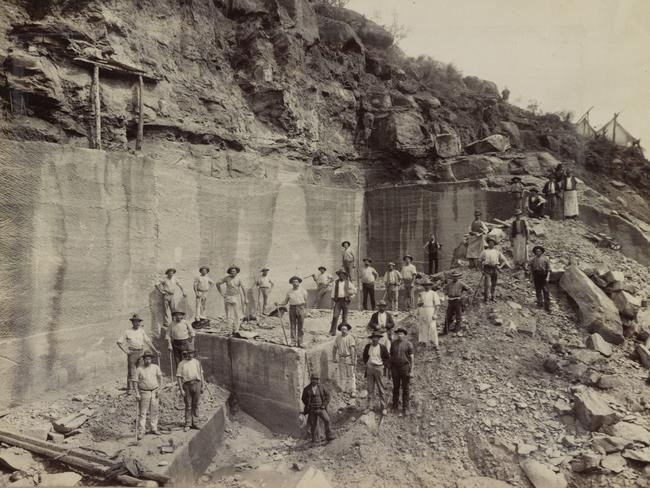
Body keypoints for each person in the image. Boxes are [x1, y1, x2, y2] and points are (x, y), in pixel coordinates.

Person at [117, 314, 159, 394]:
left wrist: (155, 351)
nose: (138, 324)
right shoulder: (127, 332)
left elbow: (148, 341)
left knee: (141, 370)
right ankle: (130, 388)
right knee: (132, 371)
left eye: (139, 322)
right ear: (132, 322)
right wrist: (126, 351)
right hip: (132, 353)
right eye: (136, 322)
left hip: (141, 352)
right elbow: (119, 342)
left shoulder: (141, 331)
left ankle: (140, 387)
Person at [134, 351, 163, 439]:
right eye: (146, 359)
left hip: (154, 392)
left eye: (149, 359)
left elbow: (160, 378)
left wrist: (160, 389)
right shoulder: (139, 369)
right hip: (144, 393)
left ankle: (154, 428)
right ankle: (142, 431)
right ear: (143, 359)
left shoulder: (155, 367)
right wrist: (137, 393)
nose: (148, 360)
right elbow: (135, 382)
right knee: (143, 413)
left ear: (151, 359)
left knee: (154, 411)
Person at [301, 373, 335, 446]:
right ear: (311, 380)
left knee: (327, 420)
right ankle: (315, 441)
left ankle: (329, 437)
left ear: (317, 380)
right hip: (312, 410)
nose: (314, 381)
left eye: (316, 379)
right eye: (313, 379)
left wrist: (324, 405)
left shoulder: (322, 387)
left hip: (320, 408)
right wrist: (308, 405)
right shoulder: (307, 389)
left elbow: (328, 396)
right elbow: (303, 398)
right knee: (314, 425)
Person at [176, 347, 205, 432]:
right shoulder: (181, 364)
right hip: (187, 386)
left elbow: (201, 374)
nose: (190, 355)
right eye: (188, 353)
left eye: (191, 353)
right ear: (186, 354)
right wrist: (181, 389)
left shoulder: (197, 362)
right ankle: (188, 423)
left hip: (197, 383)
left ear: (193, 354)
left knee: (195, 404)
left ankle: (195, 422)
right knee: (188, 405)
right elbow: (178, 377)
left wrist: (202, 385)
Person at [276, 276, 309, 347]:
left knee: (301, 327)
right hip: (292, 309)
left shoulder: (303, 290)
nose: (295, 283)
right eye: (293, 282)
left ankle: (300, 342)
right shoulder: (289, 292)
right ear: (291, 283)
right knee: (293, 326)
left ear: (299, 283)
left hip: (301, 308)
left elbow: (306, 301)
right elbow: (285, 301)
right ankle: (293, 342)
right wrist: (279, 303)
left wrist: (306, 310)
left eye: (296, 282)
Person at [362, 330, 389, 415]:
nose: (375, 340)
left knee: (381, 388)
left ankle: (383, 407)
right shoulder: (368, 347)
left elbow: (387, 358)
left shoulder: (382, 347)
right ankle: (370, 407)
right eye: (373, 338)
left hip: (379, 368)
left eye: (376, 338)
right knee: (370, 388)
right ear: (371, 339)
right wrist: (367, 364)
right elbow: (364, 356)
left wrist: (384, 367)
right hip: (370, 368)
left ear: (379, 339)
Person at [389, 328, 414, 416]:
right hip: (395, 368)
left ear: (404, 335)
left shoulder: (408, 344)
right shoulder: (393, 344)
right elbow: (391, 357)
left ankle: (405, 407)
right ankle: (395, 405)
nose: (399, 335)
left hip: (404, 368)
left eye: (401, 334)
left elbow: (411, 358)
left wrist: (412, 371)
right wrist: (390, 369)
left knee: (405, 388)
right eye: (398, 334)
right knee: (395, 387)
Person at [217, 265, 247, 333]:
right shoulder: (227, 278)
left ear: (236, 272)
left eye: (234, 271)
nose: (232, 272)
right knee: (229, 314)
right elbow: (217, 283)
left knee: (237, 314)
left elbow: (243, 288)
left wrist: (246, 298)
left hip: (236, 297)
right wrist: (222, 293)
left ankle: (236, 329)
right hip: (228, 297)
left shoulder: (239, 279)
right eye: (231, 271)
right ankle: (229, 330)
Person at [479, 237, 508, 303]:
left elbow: (504, 260)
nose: (491, 244)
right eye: (489, 243)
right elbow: (479, 261)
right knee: (487, 285)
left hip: (495, 269)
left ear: (494, 244)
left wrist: (500, 266)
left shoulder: (497, 252)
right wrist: (481, 270)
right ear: (488, 243)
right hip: (487, 269)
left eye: (492, 243)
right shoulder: (484, 251)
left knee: (494, 285)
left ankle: (492, 297)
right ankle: (486, 299)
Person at [329, 269, 356, 336]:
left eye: (342, 274)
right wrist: (332, 303)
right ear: (338, 275)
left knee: (345, 317)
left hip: (345, 301)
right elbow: (332, 293)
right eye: (340, 274)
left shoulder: (348, 282)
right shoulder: (335, 282)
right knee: (335, 316)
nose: (341, 276)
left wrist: (351, 296)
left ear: (344, 275)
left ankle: (344, 332)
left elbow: (355, 290)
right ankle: (332, 331)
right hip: (338, 301)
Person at [333, 323, 357, 397]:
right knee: (342, 375)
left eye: (345, 329)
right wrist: (334, 357)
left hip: (349, 357)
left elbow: (352, 349)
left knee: (351, 375)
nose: (343, 331)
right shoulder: (338, 338)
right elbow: (334, 348)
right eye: (342, 329)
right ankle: (343, 390)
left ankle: (353, 391)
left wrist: (353, 360)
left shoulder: (350, 338)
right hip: (341, 358)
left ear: (348, 330)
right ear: (340, 330)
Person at [417, 281, 440, 349]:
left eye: (428, 285)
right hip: (423, 310)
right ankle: (424, 341)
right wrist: (420, 304)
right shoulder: (421, 293)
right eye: (425, 285)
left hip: (430, 310)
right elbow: (418, 304)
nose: (426, 287)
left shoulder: (433, 293)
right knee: (423, 325)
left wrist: (435, 314)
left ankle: (435, 343)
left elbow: (437, 305)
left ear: (430, 286)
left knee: (432, 326)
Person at [529, 245, 551, 312]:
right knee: (538, 291)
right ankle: (540, 304)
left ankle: (547, 307)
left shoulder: (546, 259)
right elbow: (531, 270)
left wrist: (547, 277)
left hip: (543, 276)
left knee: (546, 291)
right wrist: (531, 277)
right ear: (535, 252)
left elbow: (549, 269)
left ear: (541, 252)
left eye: (539, 251)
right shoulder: (533, 260)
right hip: (536, 276)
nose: (538, 252)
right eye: (536, 251)